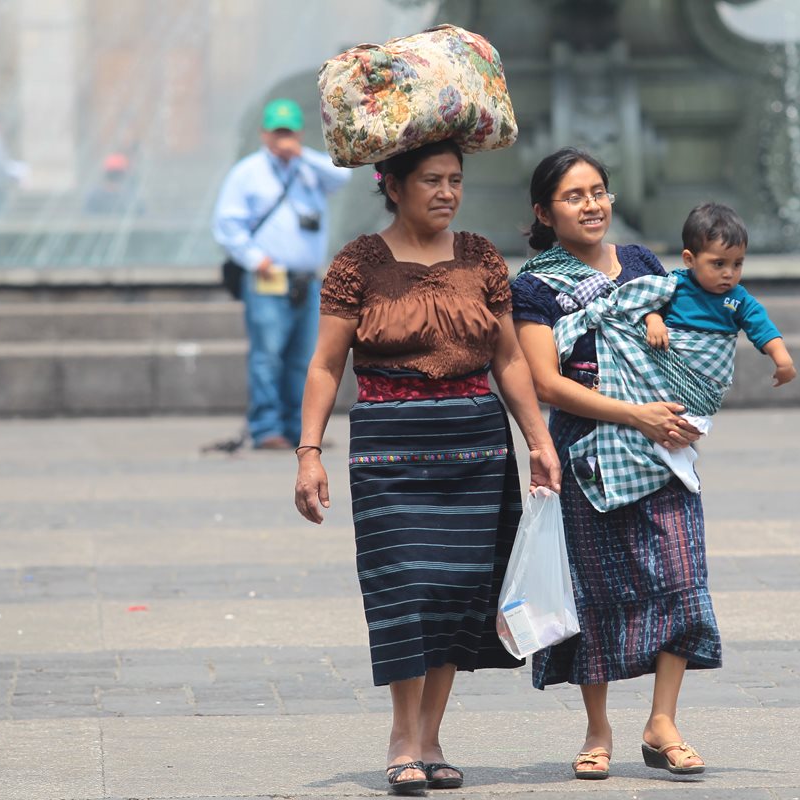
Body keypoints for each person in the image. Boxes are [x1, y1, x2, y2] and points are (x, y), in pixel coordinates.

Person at [292, 138, 560, 795]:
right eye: (432, 180)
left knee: (456, 593)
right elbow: (325, 364)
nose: (447, 192)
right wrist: (309, 452)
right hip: (388, 448)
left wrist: (538, 440)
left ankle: (431, 738)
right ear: (393, 186)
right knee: (405, 590)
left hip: (475, 446)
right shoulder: (358, 263)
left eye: (455, 180)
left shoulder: (480, 257)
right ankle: (401, 736)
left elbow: (509, 359)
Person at [511, 147, 715, 779]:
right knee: (592, 590)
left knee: (681, 576)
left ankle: (663, 721)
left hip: (662, 441)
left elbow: (684, 335)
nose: (591, 205)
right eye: (574, 196)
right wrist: (634, 414)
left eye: (598, 191)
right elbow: (546, 382)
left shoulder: (642, 263)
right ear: (544, 212)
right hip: (587, 451)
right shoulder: (535, 286)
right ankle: (597, 728)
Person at [212, 98, 352, 450]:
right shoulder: (248, 172)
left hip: (306, 278)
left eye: (289, 133)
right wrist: (254, 258)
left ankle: (299, 428)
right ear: (264, 134)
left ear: (300, 134)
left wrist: (301, 155)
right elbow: (227, 224)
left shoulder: (310, 169)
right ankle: (266, 427)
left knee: (304, 357)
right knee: (268, 355)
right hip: (268, 277)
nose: (283, 139)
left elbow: (342, 175)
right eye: (278, 133)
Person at [640, 202, 797, 487]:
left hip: (704, 384)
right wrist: (654, 321)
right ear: (690, 259)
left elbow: (762, 326)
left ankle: (677, 456)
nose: (729, 273)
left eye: (738, 264)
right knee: (662, 423)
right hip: (666, 373)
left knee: (680, 430)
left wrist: (782, 359)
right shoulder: (673, 285)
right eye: (719, 264)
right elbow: (647, 306)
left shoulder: (738, 298)